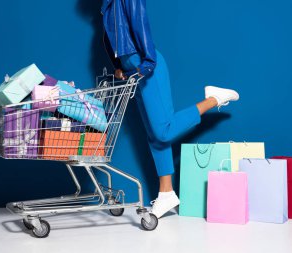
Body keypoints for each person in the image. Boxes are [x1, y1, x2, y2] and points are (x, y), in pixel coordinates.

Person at [101, 0, 239, 219]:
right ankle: (167, 193)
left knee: (163, 130)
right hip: (133, 71)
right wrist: (118, 66)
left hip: (147, 67)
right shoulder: (107, 3)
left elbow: (139, 23)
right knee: (155, 137)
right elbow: (114, 37)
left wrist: (148, 61)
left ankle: (214, 99)